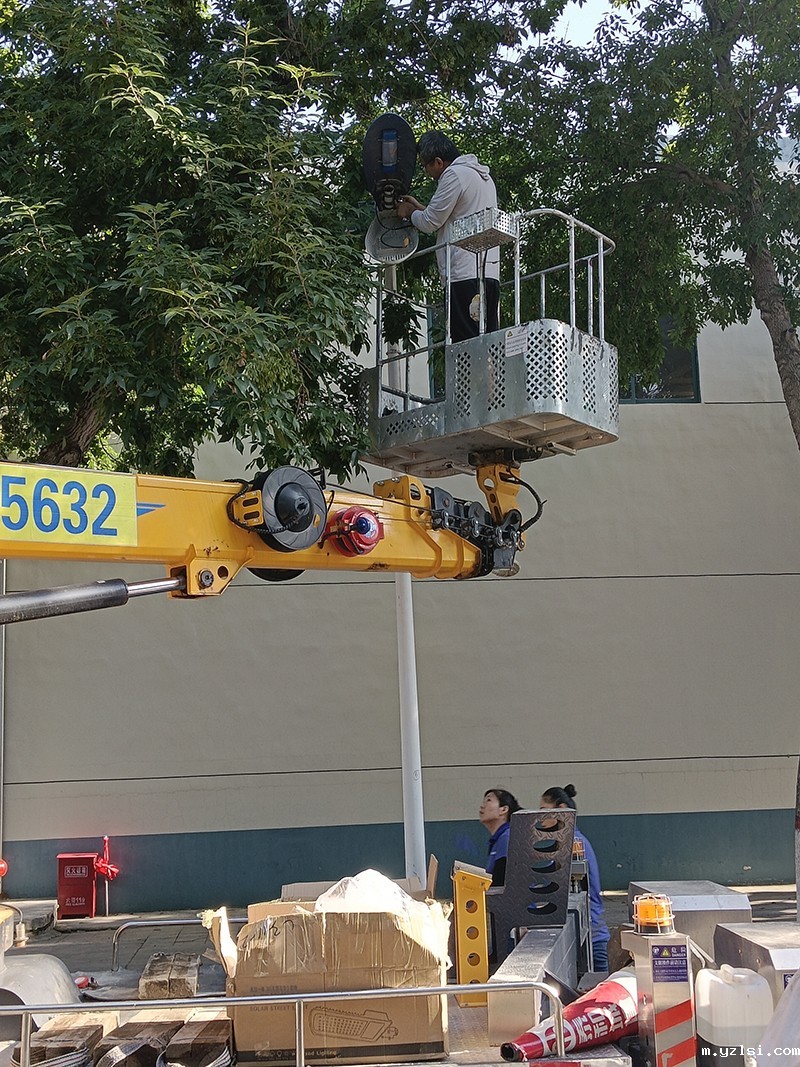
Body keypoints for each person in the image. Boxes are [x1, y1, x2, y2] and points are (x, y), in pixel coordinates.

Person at [396, 131, 500, 343]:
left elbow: (429, 223)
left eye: (425, 166)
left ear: (438, 162)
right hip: (488, 273)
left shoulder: (453, 175)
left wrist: (409, 212)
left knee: (465, 342)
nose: (427, 172)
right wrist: (421, 208)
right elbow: (450, 218)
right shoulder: (481, 177)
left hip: (463, 274)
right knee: (487, 342)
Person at [540, 784, 611, 972]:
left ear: (561, 810)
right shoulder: (565, 844)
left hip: (590, 938)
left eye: (544, 811)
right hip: (583, 935)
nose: (540, 818)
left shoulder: (574, 846)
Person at [479, 788, 522, 886]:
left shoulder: (507, 837)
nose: (482, 806)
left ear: (503, 809)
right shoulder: (499, 839)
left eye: (488, 800)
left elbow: (501, 880)